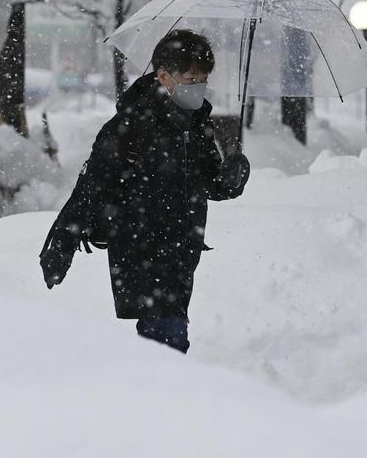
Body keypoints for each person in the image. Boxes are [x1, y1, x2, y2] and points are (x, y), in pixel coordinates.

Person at [38, 29, 250, 353]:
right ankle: (163, 395)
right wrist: (63, 243)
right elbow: (92, 185)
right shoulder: (131, 124)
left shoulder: (197, 124)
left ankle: (151, 393)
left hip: (183, 248)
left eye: (203, 79)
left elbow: (209, 183)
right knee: (168, 337)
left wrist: (232, 177)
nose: (199, 87)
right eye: (191, 79)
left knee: (165, 340)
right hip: (140, 247)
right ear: (164, 76)